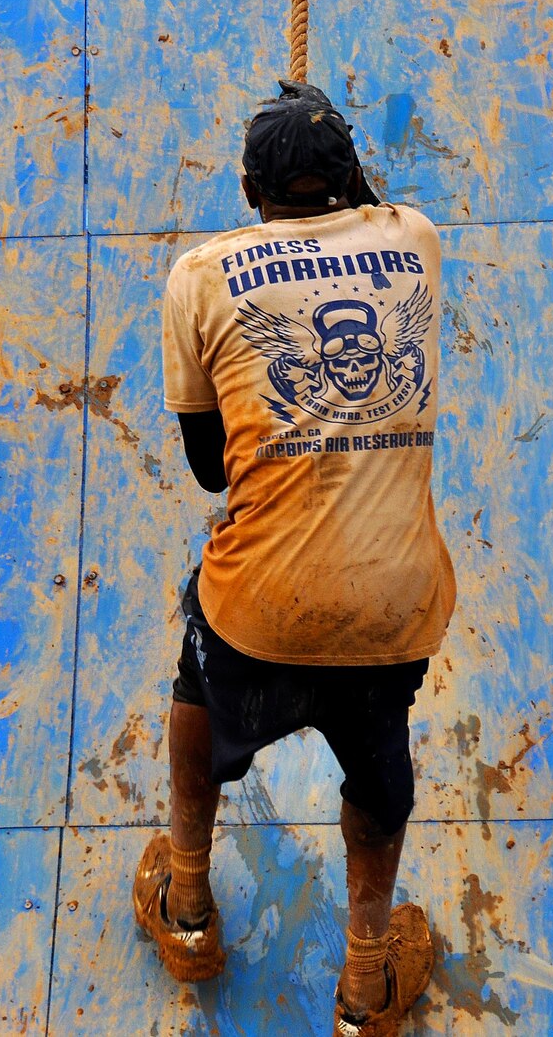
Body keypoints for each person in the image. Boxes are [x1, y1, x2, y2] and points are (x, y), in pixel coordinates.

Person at [136, 81, 456, 1035]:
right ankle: (365, 987)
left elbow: (206, 469)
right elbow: (377, 207)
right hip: (396, 604)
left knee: (198, 682)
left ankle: (188, 910)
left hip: (263, 609)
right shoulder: (418, 241)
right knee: (379, 768)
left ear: (248, 191)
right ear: (354, 175)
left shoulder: (200, 274)